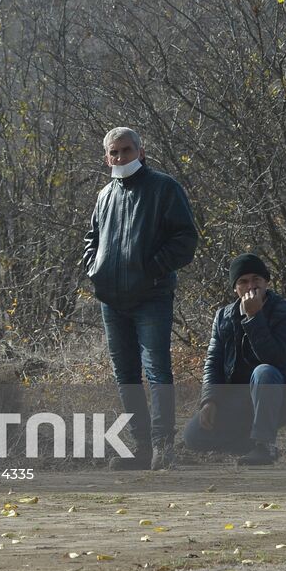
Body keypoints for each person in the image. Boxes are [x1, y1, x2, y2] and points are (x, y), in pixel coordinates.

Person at [82, 126, 198, 470]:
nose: (120, 158)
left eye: (126, 151)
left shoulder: (164, 188)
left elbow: (185, 239)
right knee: (126, 375)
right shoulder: (105, 195)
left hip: (152, 297)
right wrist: (94, 269)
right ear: (106, 158)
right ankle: (141, 447)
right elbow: (92, 238)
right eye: (114, 153)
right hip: (111, 301)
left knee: (158, 370)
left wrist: (153, 269)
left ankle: (164, 447)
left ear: (141, 152)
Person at [183, 254, 286, 466]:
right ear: (235, 288)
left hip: (278, 395)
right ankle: (247, 444)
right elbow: (214, 361)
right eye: (243, 281)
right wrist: (209, 400)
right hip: (240, 398)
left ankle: (264, 445)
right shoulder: (224, 316)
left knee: (264, 371)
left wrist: (254, 317)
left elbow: (273, 358)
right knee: (194, 437)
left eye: (256, 279)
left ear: (266, 282)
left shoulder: (285, 312)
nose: (251, 286)